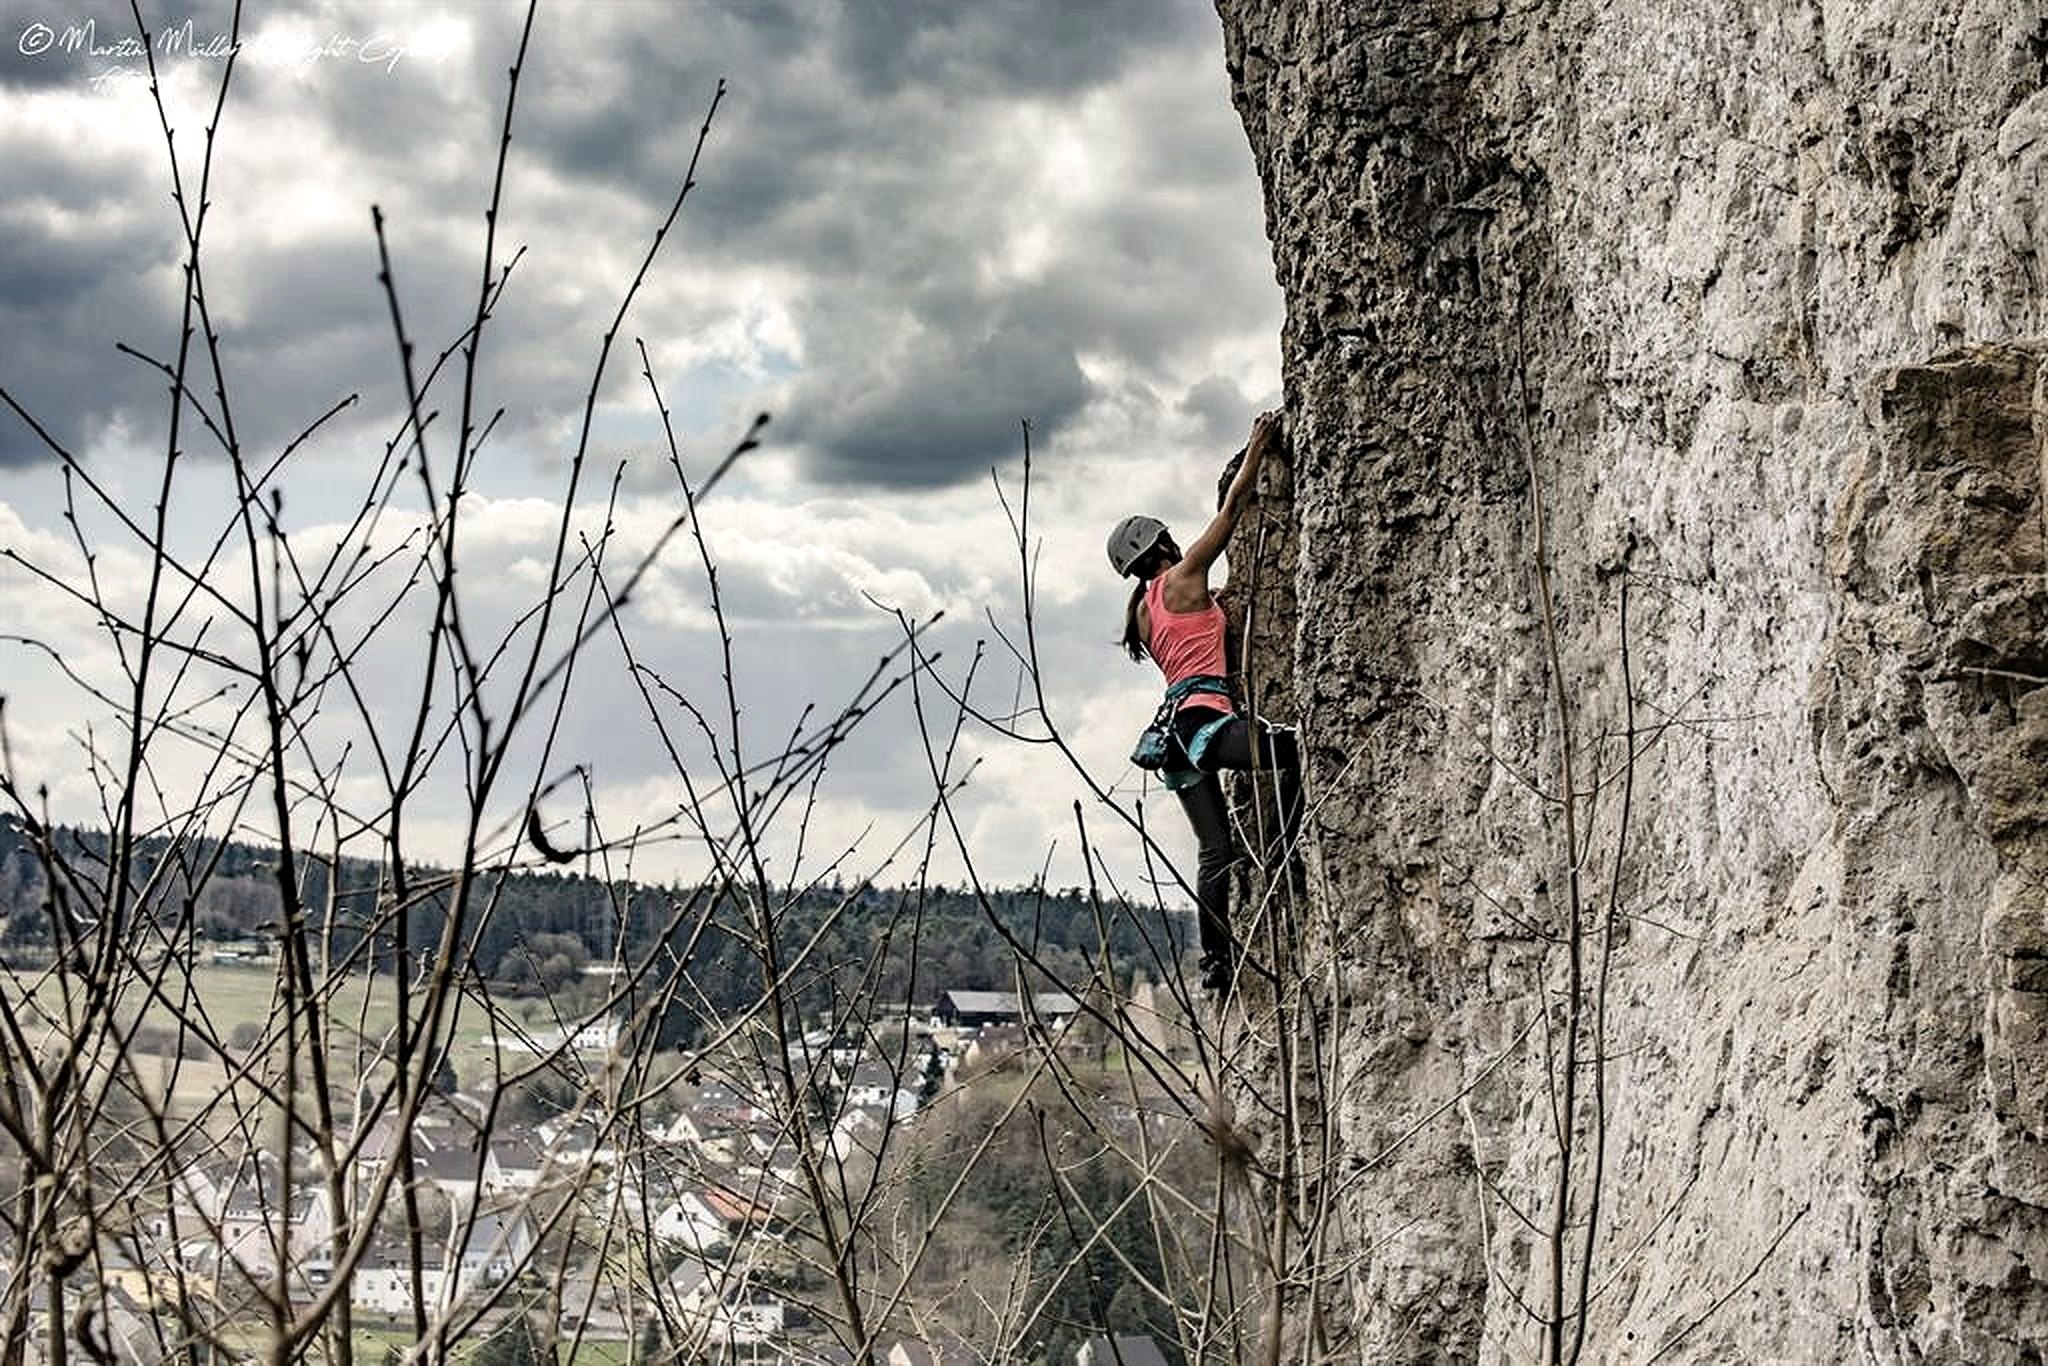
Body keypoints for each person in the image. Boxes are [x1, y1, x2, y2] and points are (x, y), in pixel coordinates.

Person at [1107, 410, 1301, 996]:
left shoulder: (1142, 614)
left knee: (1214, 853)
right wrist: (1257, 446)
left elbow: (1186, 635)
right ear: (1162, 544)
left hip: (1173, 738)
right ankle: (1283, 850)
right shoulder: (1185, 576)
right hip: (1204, 721)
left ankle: (1215, 961)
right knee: (1295, 750)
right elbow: (1233, 510)